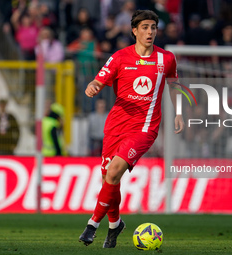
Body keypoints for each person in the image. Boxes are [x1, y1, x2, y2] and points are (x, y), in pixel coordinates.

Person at [79, 10, 184, 248]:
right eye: (145, 27)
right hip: (116, 125)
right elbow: (99, 79)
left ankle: (92, 224)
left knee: (114, 171)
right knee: (109, 178)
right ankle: (115, 225)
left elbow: (174, 86)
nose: (150, 32)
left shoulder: (166, 59)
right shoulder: (119, 58)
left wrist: (178, 113)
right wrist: (93, 86)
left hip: (145, 127)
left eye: (153, 27)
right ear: (134, 30)